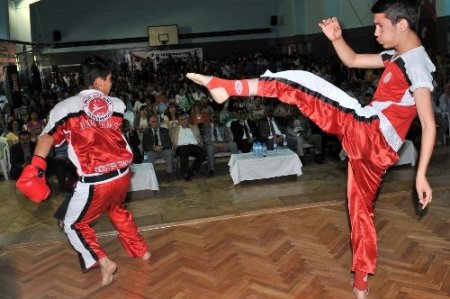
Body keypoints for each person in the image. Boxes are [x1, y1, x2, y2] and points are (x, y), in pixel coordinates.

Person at [186, 1, 435, 297]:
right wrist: (336, 39)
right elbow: (353, 60)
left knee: (302, 83)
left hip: (369, 131)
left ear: (402, 25)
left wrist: (421, 175)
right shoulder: (398, 54)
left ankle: (226, 87)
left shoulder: (416, 64)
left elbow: (429, 125)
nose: (376, 32)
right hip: (377, 151)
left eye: (380, 26)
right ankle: (361, 282)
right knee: (360, 211)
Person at [16, 56, 151, 287]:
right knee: (118, 209)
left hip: (96, 180)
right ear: (98, 82)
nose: (111, 85)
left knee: (73, 224)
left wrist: (35, 167)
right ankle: (142, 251)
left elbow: (47, 138)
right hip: (122, 176)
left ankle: (102, 260)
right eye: (109, 80)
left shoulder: (65, 108)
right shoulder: (117, 104)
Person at [169, 113, 206, 181]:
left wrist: (200, 143)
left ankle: (190, 171)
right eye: (181, 120)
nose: (183, 121)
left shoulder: (194, 127)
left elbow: (200, 139)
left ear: (187, 119)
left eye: (185, 119)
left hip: (194, 145)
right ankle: (185, 173)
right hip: (181, 147)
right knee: (184, 150)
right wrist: (174, 146)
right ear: (179, 121)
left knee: (203, 152)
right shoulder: (174, 130)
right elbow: (172, 141)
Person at [142, 114, 174, 181]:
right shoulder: (146, 132)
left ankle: (169, 174)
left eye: (156, 121)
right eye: (153, 121)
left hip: (163, 150)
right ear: (149, 122)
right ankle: (152, 176)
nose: (155, 123)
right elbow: (144, 146)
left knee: (169, 152)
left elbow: (169, 144)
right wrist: (153, 148)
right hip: (152, 151)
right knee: (149, 154)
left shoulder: (165, 130)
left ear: (159, 122)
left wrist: (161, 147)